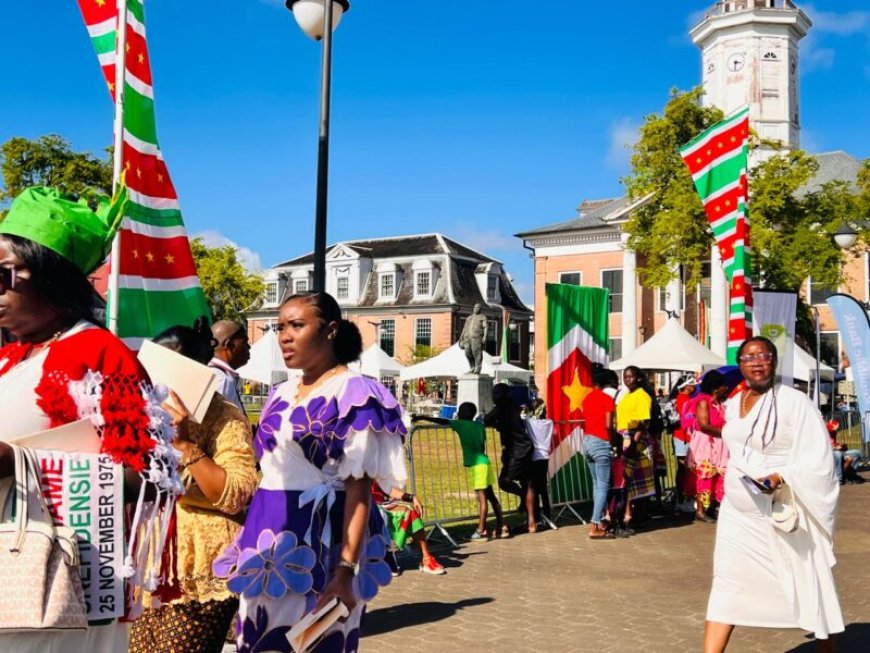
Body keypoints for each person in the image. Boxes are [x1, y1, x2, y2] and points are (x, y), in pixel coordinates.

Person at [0, 186, 181, 652]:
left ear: (49, 275)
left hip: (62, 590)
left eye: (4, 275)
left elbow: (151, 477)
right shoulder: (12, 356)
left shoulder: (95, 353)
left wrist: (19, 462)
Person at [213, 291, 406, 652]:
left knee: (315, 642)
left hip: (325, 538)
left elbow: (359, 491)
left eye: (297, 325)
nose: (284, 336)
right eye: (280, 326)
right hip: (267, 536)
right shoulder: (279, 392)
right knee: (255, 637)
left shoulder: (357, 393)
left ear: (330, 330)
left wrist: (345, 571)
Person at [704, 337, 844, 652]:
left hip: (780, 512)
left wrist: (781, 475)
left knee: (808, 582)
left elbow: (819, 458)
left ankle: (827, 647)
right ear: (739, 364)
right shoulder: (733, 403)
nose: (756, 361)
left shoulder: (795, 402)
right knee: (726, 584)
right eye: (748, 356)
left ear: (774, 361)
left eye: (763, 355)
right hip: (737, 515)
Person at [130, 319, 258, 653]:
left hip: (200, 567)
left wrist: (186, 445)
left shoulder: (224, 415)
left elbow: (237, 494)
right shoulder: (136, 411)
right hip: (145, 566)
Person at [413, 402, 506, 540]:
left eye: (460, 411)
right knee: (491, 496)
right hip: (485, 463)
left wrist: (422, 417)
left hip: (477, 465)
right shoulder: (479, 425)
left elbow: (442, 420)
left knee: (482, 499)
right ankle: (502, 525)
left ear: (462, 414)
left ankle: (481, 530)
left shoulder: (460, 424)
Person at [484, 382, 537, 533]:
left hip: (516, 450)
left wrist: (495, 423)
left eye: (496, 394)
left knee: (504, 481)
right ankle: (531, 522)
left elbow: (487, 419)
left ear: (503, 395)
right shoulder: (513, 406)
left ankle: (521, 496)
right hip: (525, 447)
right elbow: (508, 423)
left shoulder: (501, 408)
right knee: (528, 483)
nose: (494, 397)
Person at [610, 366, 656, 535]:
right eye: (625, 377)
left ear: (637, 377)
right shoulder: (626, 395)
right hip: (624, 437)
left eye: (630, 376)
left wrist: (634, 445)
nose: (627, 379)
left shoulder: (642, 396)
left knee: (629, 481)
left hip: (635, 438)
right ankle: (628, 517)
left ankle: (637, 517)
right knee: (628, 481)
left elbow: (643, 423)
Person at [370, 482, 445, 575]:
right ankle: (379, 558)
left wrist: (412, 497)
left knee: (410, 510)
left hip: (380, 503)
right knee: (378, 514)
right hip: (360, 504)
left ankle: (426, 558)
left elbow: (386, 487)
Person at [686, 371, 730, 523]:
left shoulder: (718, 403)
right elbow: (704, 425)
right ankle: (700, 510)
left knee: (718, 476)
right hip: (706, 444)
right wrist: (726, 431)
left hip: (719, 444)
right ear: (715, 387)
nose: (726, 388)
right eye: (723, 385)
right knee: (705, 475)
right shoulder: (703, 402)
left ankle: (711, 507)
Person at [582, 364, 617, 539]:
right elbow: (608, 425)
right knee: (603, 486)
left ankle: (600, 520)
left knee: (597, 485)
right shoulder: (607, 399)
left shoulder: (587, 399)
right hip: (601, 442)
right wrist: (614, 440)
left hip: (587, 441)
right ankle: (595, 524)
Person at [209, 319, 251, 413]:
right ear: (229, 345)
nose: (249, 347)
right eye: (245, 343)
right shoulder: (222, 379)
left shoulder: (211, 373)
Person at [670, 376, 698, 514]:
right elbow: (687, 419)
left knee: (683, 469)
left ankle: (682, 498)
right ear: (686, 386)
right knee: (684, 469)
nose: (695, 386)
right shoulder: (683, 399)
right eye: (692, 384)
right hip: (683, 437)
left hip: (681, 437)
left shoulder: (681, 398)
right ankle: (682, 499)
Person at [827, 419, 865, 485]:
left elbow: (834, 443)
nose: (837, 430)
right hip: (831, 453)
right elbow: (825, 447)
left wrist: (840, 445)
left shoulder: (834, 433)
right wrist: (835, 447)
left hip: (839, 451)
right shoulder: (824, 434)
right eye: (835, 428)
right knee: (841, 455)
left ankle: (850, 475)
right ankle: (839, 479)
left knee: (857, 453)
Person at [459, 303, 487, 374]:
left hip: (477, 337)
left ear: (480, 309)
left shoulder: (482, 317)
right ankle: (472, 367)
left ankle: (478, 367)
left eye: (477, 308)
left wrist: (485, 336)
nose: (476, 309)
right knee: (467, 352)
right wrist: (461, 338)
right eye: (475, 307)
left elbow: (485, 327)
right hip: (467, 338)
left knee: (477, 353)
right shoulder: (469, 318)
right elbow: (464, 328)